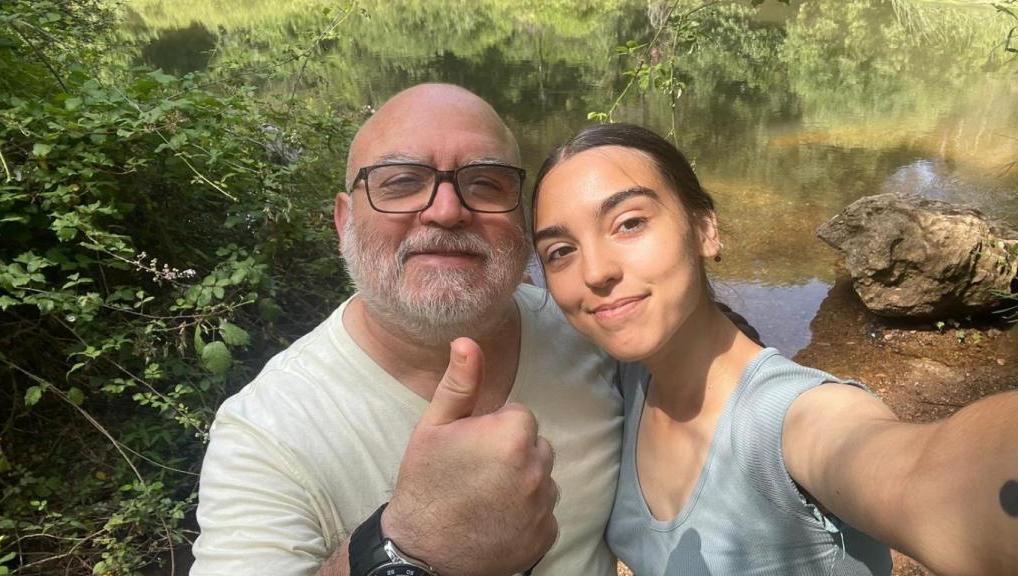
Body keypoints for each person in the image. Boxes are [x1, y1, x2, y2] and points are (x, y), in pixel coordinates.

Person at [530, 123, 1018, 576]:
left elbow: (917, 473)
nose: (594, 272)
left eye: (629, 223)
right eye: (560, 251)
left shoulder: (794, 420)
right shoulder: (630, 377)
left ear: (704, 230)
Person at [190, 84, 624, 576]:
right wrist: (412, 546)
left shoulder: (590, 327)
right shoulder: (267, 432)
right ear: (344, 220)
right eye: (400, 183)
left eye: (485, 183)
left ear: (522, 218)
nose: (446, 210)